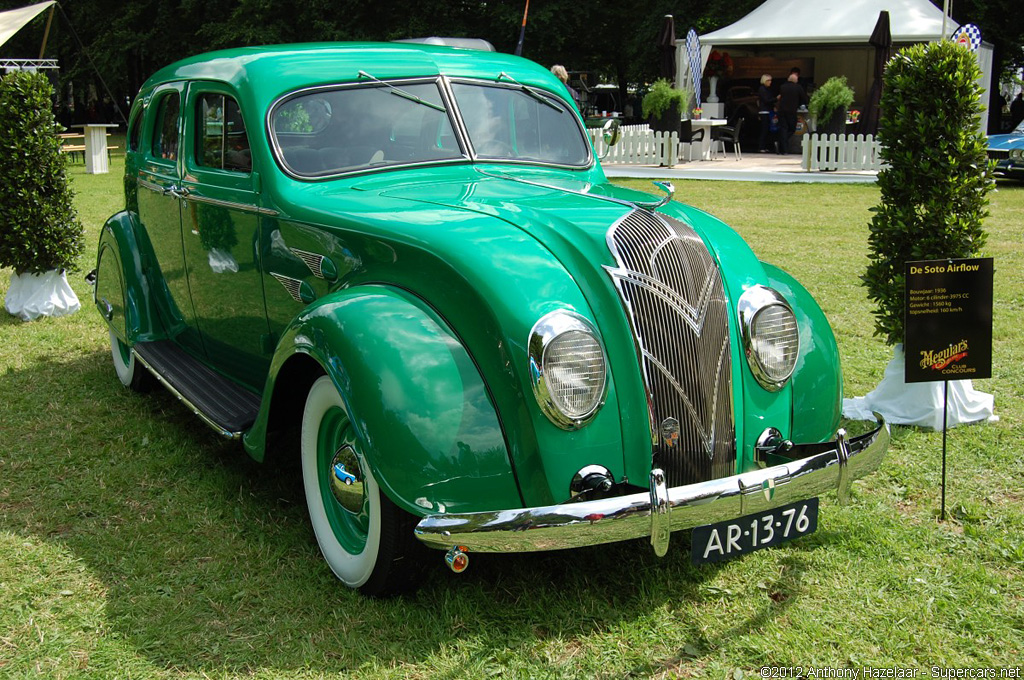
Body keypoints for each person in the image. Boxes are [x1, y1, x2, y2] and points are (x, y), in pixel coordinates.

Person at [776, 67, 808, 155]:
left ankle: (783, 148)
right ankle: (782, 144)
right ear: (796, 80)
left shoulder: (783, 87)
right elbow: (804, 99)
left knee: (783, 129)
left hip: (782, 111)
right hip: (791, 111)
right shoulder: (798, 87)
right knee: (792, 129)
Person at [757, 74, 776, 153]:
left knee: (767, 130)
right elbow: (766, 100)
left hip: (768, 111)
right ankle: (761, 146)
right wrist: (776, 99)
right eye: (768, 80)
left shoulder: (767, 89)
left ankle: (764, 146)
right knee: (764, 129)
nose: (770, 82)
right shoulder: (762, 89)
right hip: (764, 111)